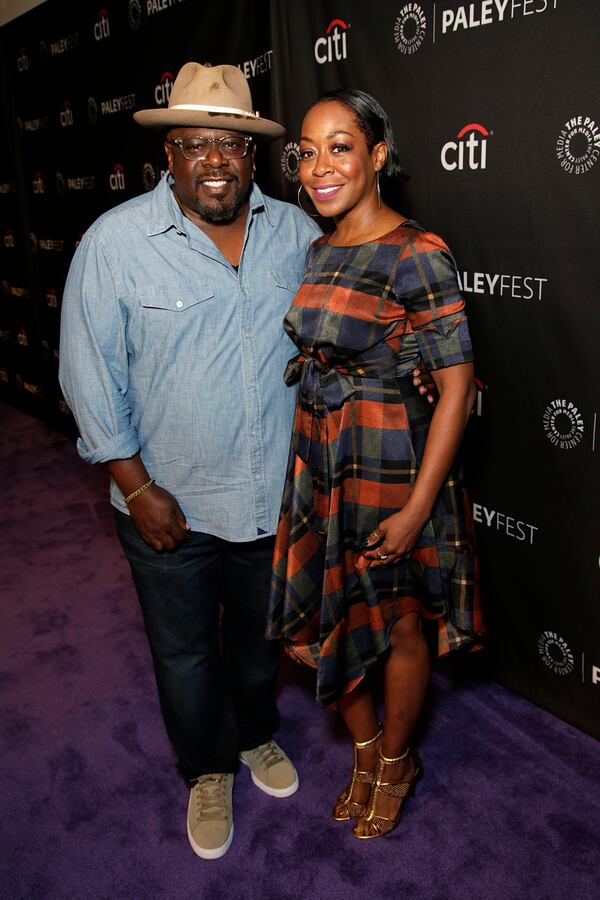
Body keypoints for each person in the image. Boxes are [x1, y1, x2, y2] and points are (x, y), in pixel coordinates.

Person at [58, 62, 323, 860]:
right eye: (197, 144)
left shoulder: (299, 235)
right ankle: (207, 768)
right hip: (165, 505)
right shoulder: (115, 243)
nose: (216, 160)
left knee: (258, 642)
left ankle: (254, 736)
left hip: (268, 497)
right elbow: (87, 374)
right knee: (181, 651)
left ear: (252, 157)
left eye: (232, 145)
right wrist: (137, 489)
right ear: (168, 155)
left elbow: (335, 345)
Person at [267, 89, 485, 840]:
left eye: (340, 146)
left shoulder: (419, 253)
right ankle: (364, 756)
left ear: (378, 156)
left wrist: (420, 507)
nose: (318, 165)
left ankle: (397, 762)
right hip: (322, 460)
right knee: (326, 617)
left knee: (398, 627)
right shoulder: (320, 249)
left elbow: (455, 388)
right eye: (306, 149)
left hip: (392, 465)